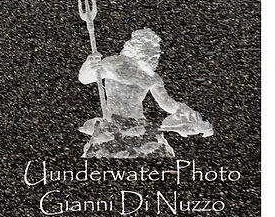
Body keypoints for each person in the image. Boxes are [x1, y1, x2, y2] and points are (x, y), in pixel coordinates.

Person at [78, 29, 213, 160]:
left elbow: (166, 102)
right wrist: (89, 65)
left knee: (157, 153)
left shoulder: (152, 77)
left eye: (157, 53)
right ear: (139, 48)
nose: (156, 57)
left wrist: (187, 113)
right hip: (114, 120)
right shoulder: (115, 64)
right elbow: (85, 78)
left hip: (139, 123)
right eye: (152, 52)